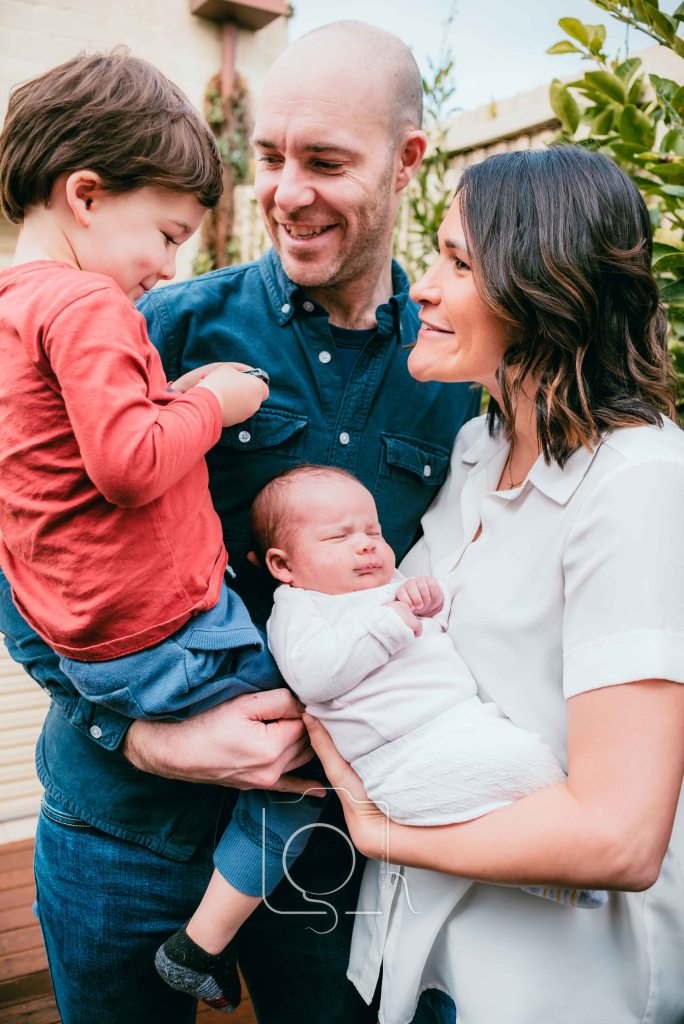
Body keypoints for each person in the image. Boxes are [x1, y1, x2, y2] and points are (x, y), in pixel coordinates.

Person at [0, 21, 479, 1024]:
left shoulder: (451, 380)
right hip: (119, 828)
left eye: (327, 161)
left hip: (323, 844)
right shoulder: (152, 320)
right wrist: (137, 734)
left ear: (407, 162)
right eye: (269, 157)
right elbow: (21, 542)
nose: (287, 191)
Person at [305, 145, 684, 1024]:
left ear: (548, 289)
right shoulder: (478, 450)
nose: (422, 288)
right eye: (434, 254)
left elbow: (619, 835)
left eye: (459, 263)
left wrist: (381, 834)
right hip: (414, 960)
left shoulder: (638, 484)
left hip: (543, 991)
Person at [157, 459, 610, 1006]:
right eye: (339, 536)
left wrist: (424, 602)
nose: (367, 546)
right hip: (405, 756)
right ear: (284, 565)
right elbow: (316, 677)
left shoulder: (382, 586)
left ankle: (545, 870)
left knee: (533, 769)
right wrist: (393, 622)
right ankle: (559, 865)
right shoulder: (300, 610)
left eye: (373, 531)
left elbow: (431, 631)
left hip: (456, 725)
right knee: (526, 774)